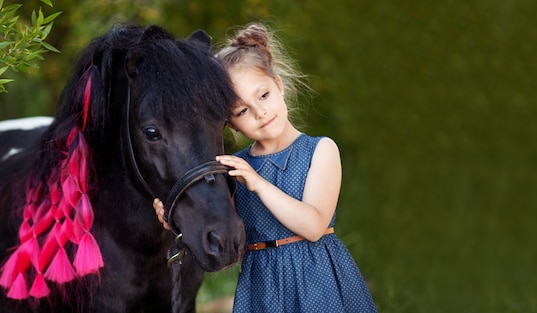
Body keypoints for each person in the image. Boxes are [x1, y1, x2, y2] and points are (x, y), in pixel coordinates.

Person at [154, 22, 377, 312]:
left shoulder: (320, 150)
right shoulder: (238, 168)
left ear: (279, 86)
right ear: (230, 123)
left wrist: (258, 183)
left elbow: (313, 226)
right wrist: (173, 221)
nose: (259, 112)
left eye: (263, 95)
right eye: (242, 111)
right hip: (262, 289)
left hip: (316, 283)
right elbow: (223, 227)